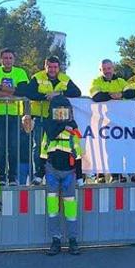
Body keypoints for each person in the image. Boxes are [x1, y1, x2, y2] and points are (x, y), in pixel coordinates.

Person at [25, 56, 81, 185]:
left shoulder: (65, 78)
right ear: (45, 66)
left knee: (57, 146)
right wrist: (46, 96)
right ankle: (38, 175)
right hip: (40, 117)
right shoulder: (38, 77)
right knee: (39, 146)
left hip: (58, 119)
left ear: (59, 68)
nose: (52, 69)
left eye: (55, 67)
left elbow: (76, 92)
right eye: (50, 67)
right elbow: (29, 93)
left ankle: (53, 174)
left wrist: (58, 94)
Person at [39, 95, 83, 256]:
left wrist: (79, 175)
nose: (61, 114)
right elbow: (43, 152)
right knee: (52, 209)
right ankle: (55, 241)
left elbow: (78, 154)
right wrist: (39, 174)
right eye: (58, 111)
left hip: (69, 173)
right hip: (51, 171)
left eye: (64, 111)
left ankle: (73, 240)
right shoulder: (48, 129)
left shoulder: (73, 129)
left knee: (71, 209)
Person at [0, 48, 30, 185]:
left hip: (14, 115)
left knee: (14, 147)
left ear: (14, 60)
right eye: (5, 58)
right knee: (0, 146)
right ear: (0, 59)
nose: (8, 60)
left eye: (10, 58)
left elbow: (23, 91)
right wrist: (9, 94)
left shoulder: (20, 72)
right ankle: (1, 176)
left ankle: (12, 177)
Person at [89, 58, 128, 183]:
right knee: (103, 148)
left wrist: (121, 95)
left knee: (119, 148)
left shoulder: (121, 81)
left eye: (109, 68)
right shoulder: (96, 81)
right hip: (102, 121)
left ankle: (117, 175)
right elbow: (95, 96)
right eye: (104, 69)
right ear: (100, 70)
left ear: (113, 68)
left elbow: (133, 93)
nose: (107, 71)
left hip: (120, 122)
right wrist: (112, 95)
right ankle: (100, 175)